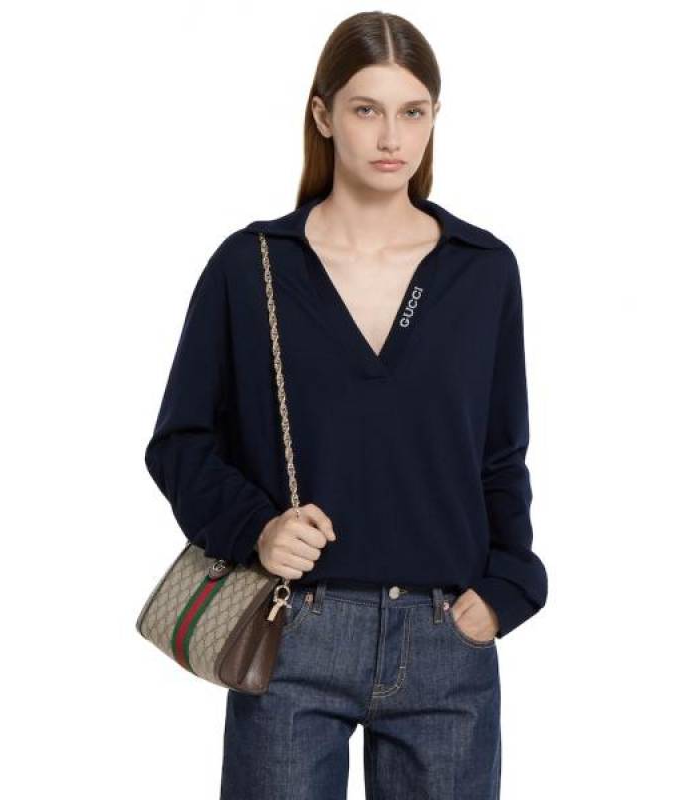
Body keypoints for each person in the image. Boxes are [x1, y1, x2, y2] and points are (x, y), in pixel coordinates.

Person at [144, 10, 548, 799]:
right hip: (293, 630)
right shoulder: (252, 265)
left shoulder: (482, 270)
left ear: (435, 117)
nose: (392, 137)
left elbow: (501, 453)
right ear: (324, 115)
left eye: (413, 111)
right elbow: (181, 442)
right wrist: (256, 528)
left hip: (447, 636)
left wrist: (508, 588)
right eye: (367, 109)